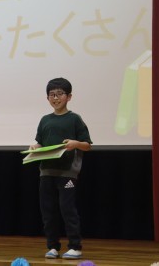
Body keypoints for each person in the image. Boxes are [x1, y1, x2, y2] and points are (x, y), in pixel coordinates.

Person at [29, 77, 92, 260]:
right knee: (48, 211)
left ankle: (75, 246)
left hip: (67, 173)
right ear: (47, 97)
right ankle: (52, 246)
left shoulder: (74, 119)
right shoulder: (45, 120)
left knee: (67, 208)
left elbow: (87, 145)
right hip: (46, 172)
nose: (55, 98)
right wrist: (35, 147)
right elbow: (40, 142)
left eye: (59, 94)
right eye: (52, 95)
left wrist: (75, 143)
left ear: (69, 97)